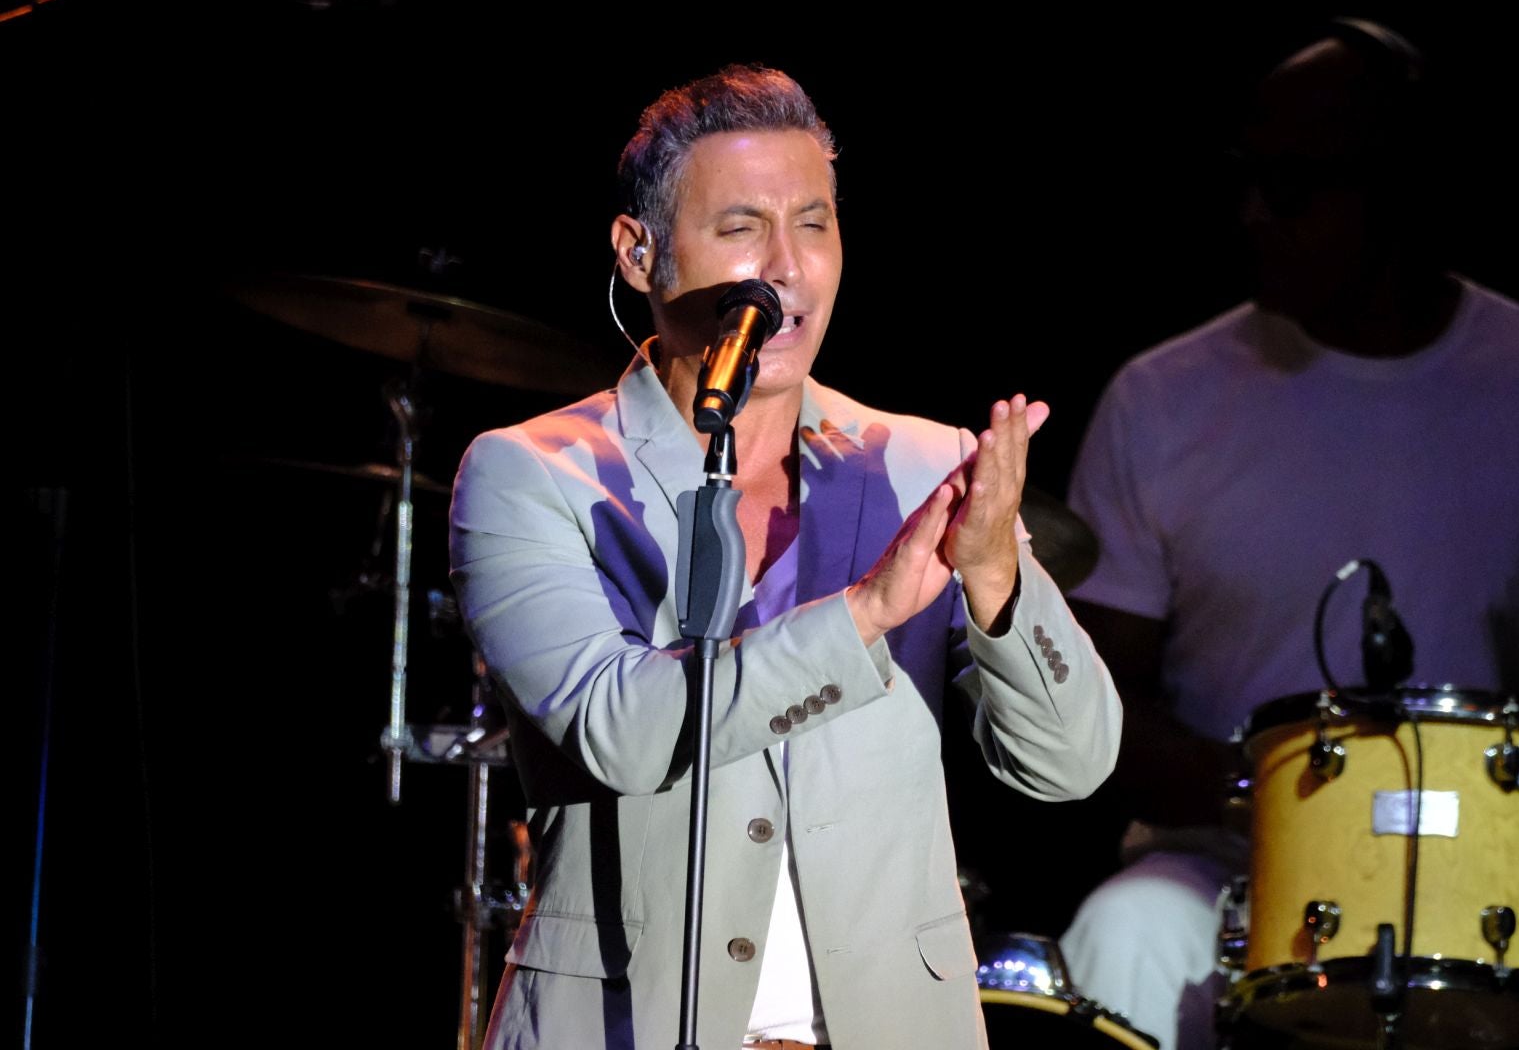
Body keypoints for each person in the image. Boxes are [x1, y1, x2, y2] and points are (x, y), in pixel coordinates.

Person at [1056, 21, 1519, 1050]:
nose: (1253, 213)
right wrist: (1270, 796)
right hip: (1234, 858)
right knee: (1122, 935)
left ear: (1400, 188)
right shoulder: (1162, 396)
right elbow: (1096, 694)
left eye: (1291, 183)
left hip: (1505, 858)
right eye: (1247, 178)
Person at [450, 65, 1122, 1050]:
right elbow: (617, 729)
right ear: (640, 253)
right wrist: (865, 611)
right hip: (625, 1022)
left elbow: (1071, 762)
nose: (786, 267)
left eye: (813, 222)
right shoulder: (535, 474)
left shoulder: (920, 463)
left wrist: (994, 579)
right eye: (741, 228)